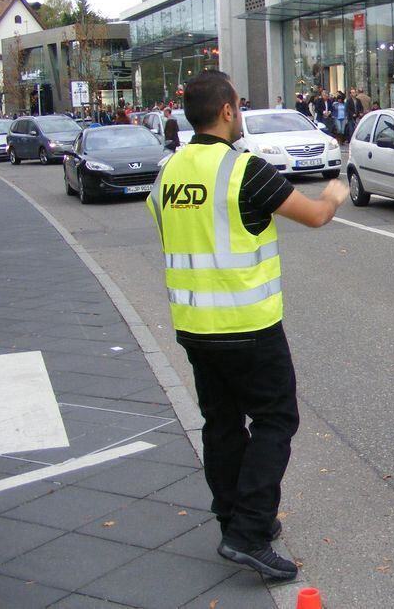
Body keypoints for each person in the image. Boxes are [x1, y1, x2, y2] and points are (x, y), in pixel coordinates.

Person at [146, 70, 349, 581]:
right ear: (228, 111)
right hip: (248, 325)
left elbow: (167, 226)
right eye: (239, 103)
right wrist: (334, 194)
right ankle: (250, 533)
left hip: (193, 326)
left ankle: (233, 517)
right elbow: (314, 216)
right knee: (276, 420)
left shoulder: (168, 171)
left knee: (221, 423)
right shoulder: (244, 170)